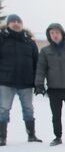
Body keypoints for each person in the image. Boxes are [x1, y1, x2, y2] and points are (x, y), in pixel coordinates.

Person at [0, 14, 41, 145]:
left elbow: (37, 62)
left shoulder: (29, 41)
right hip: (6, 81)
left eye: (19, 21)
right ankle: (2, 137)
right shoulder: (2, 38)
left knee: (28, 109)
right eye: (13, 21)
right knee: (4, 109)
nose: (16, 23)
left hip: (26, 81)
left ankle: (32, 135)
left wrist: (37, 81)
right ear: (8, 24)